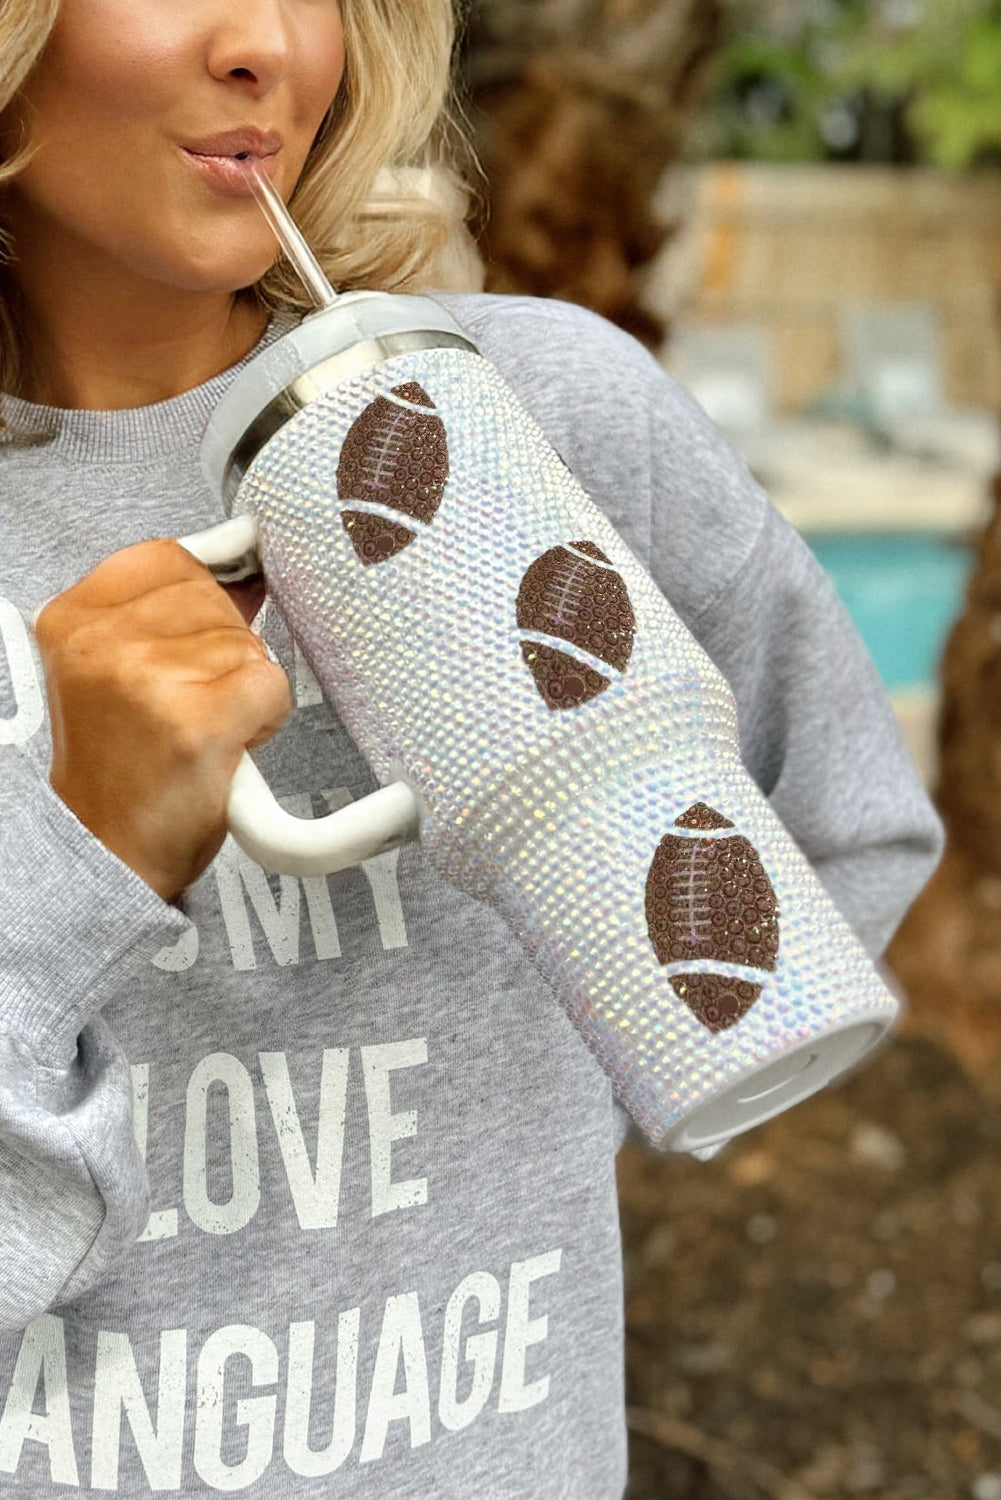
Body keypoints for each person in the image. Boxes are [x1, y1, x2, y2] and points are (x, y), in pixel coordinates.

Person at [0, 0, 942, 1494]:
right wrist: (78, 860)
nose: (270, 50)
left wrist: (596, 1044)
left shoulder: (549, 406)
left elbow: (843, 822)